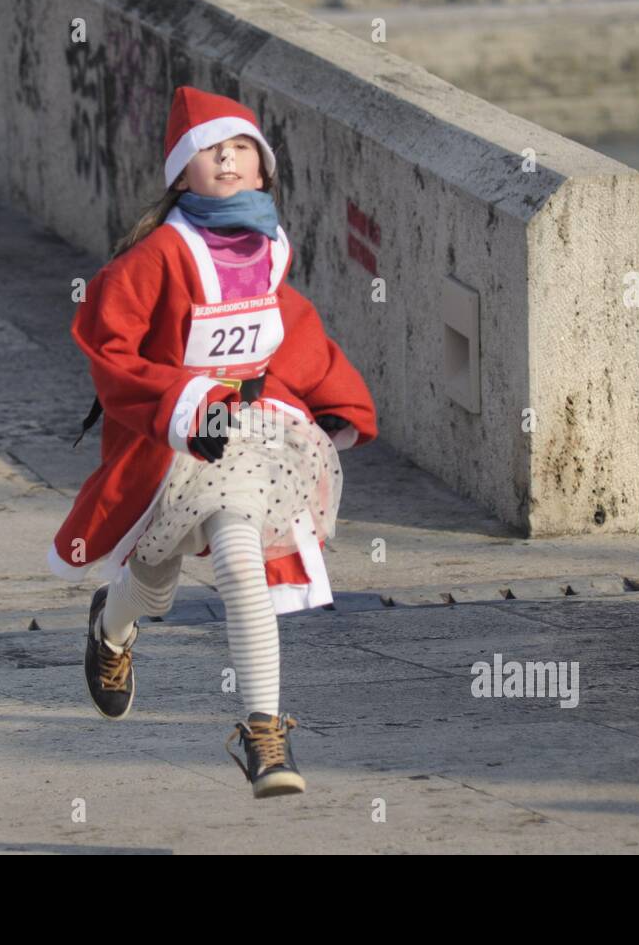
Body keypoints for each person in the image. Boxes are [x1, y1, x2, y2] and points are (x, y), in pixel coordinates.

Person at [46, 85, 378, 798]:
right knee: (155, 587)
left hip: (250, 444)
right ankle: (111, 625)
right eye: (209, 151)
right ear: (180, 174)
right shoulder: (159, 254)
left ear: (263, 172)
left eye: (240, 150)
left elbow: (287, 330)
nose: (225, 160)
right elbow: (107, 343)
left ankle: (263, 734)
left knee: (239, 559)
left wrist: (331, 402)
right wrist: (182, 401)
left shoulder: (272, 246)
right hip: (171, 443)